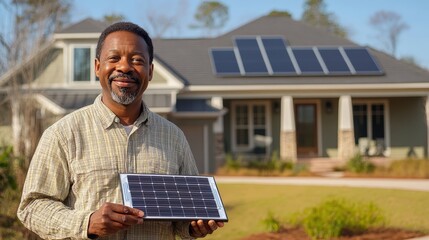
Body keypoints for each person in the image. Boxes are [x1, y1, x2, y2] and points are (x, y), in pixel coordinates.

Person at [17, 21, 224, 239]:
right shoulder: (63, 134)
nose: (124, 67)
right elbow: (32, 206)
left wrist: (192, 227)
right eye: (114, 58)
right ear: (97, 67)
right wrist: (86, 223)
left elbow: (187, 214)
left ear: (150, 71)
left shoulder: (173, 137)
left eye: (137, 60)